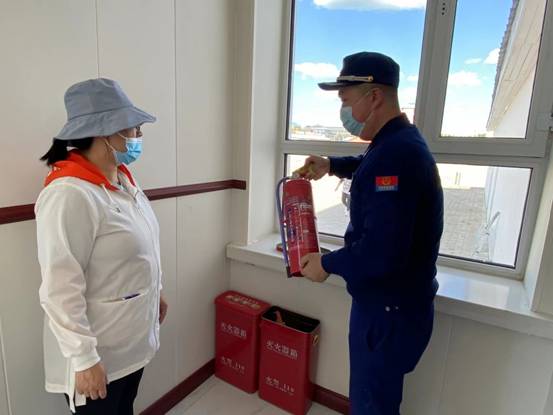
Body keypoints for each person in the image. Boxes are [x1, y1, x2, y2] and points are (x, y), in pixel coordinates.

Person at [298, 52, 444, 414]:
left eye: (346, 100)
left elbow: (381, 252)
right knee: (376, 399)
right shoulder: (397, 143)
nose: (344, 111)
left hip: (387, 313)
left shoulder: (396, 155)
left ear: (374, 96)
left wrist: (326, 264)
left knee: (371, 405)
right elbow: (370, 165)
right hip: (395, 306)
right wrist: (332, 165)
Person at [35, 78, 168, 414]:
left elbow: (142, 252)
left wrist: (156, 293)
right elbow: (59, 289)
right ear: (104, 132)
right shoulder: (69, 194)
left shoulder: (123, 181)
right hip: (98, 357)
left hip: (131, 345)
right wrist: (84, 359)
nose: (138, 135)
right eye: (133, 128)